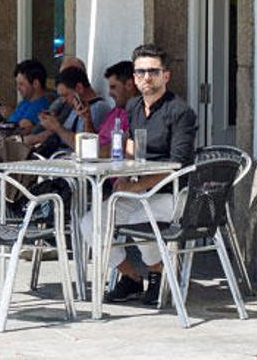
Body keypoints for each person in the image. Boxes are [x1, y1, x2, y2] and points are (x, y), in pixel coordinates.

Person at [82, 44, 197, 305]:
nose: (147, 77)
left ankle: (157, 274)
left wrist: (139, 184)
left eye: (153, 71)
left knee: (135, 217)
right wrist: (125, 175)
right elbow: (132, 144)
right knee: (90, 223)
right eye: (141, 72)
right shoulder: (133, 106)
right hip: (140, 190)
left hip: (173, 193)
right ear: (134, 77)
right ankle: (131, 277)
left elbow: (177, 163)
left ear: (165, 76)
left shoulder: (180, 112)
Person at [37, 67, 111, 151]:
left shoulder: (98, 108)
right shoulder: (76, 106)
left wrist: (57, 127)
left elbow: (84, 147)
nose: (64, 101)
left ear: (79, 88)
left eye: (66, 95)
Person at [0, 59, 52, 134]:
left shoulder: (41, 105)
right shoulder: (24, 102)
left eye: (21, 84)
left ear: (36, 83)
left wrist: (10, 114)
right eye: (17, 84)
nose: (18, 88)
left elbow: (23, 129)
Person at [95, 60, 139, 156]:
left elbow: (119, 148)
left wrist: (89, 153)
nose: (109, 93)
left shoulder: (139, 113)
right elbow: (97, 140)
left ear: (129, 85)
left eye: (113, 87)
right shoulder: (115, 111)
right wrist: (87, 119)